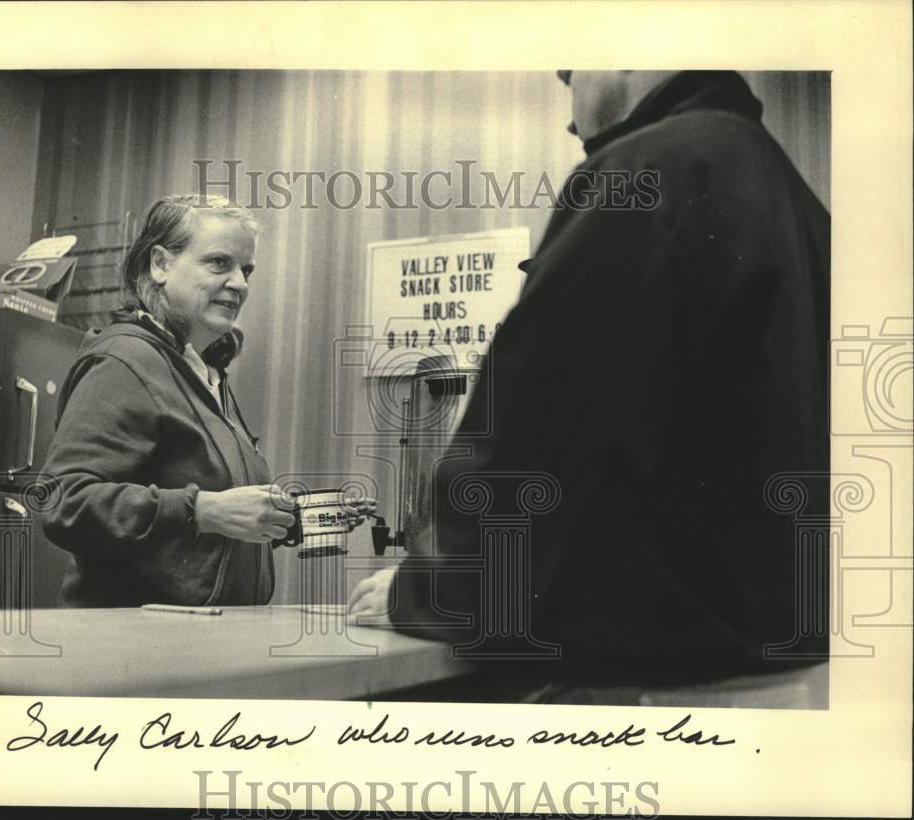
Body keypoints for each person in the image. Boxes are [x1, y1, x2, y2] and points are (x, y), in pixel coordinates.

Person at [348, 71, 830, 691]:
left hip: (659, 681)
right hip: (785, 664)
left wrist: (434, 590)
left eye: (569, 75)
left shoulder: (647, 168)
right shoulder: (795, 197)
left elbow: (542, 427)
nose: (571, 121)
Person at [41, 195, 373, 607]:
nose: (240, 284)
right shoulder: (125, 360)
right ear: (160, 264)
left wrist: (296, 520)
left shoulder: (203, 369)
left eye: (246, 269)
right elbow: (64, 501)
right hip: (137, 649)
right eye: (219, 263)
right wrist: (203, 510)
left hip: (203, 638)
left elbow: (202, 532)